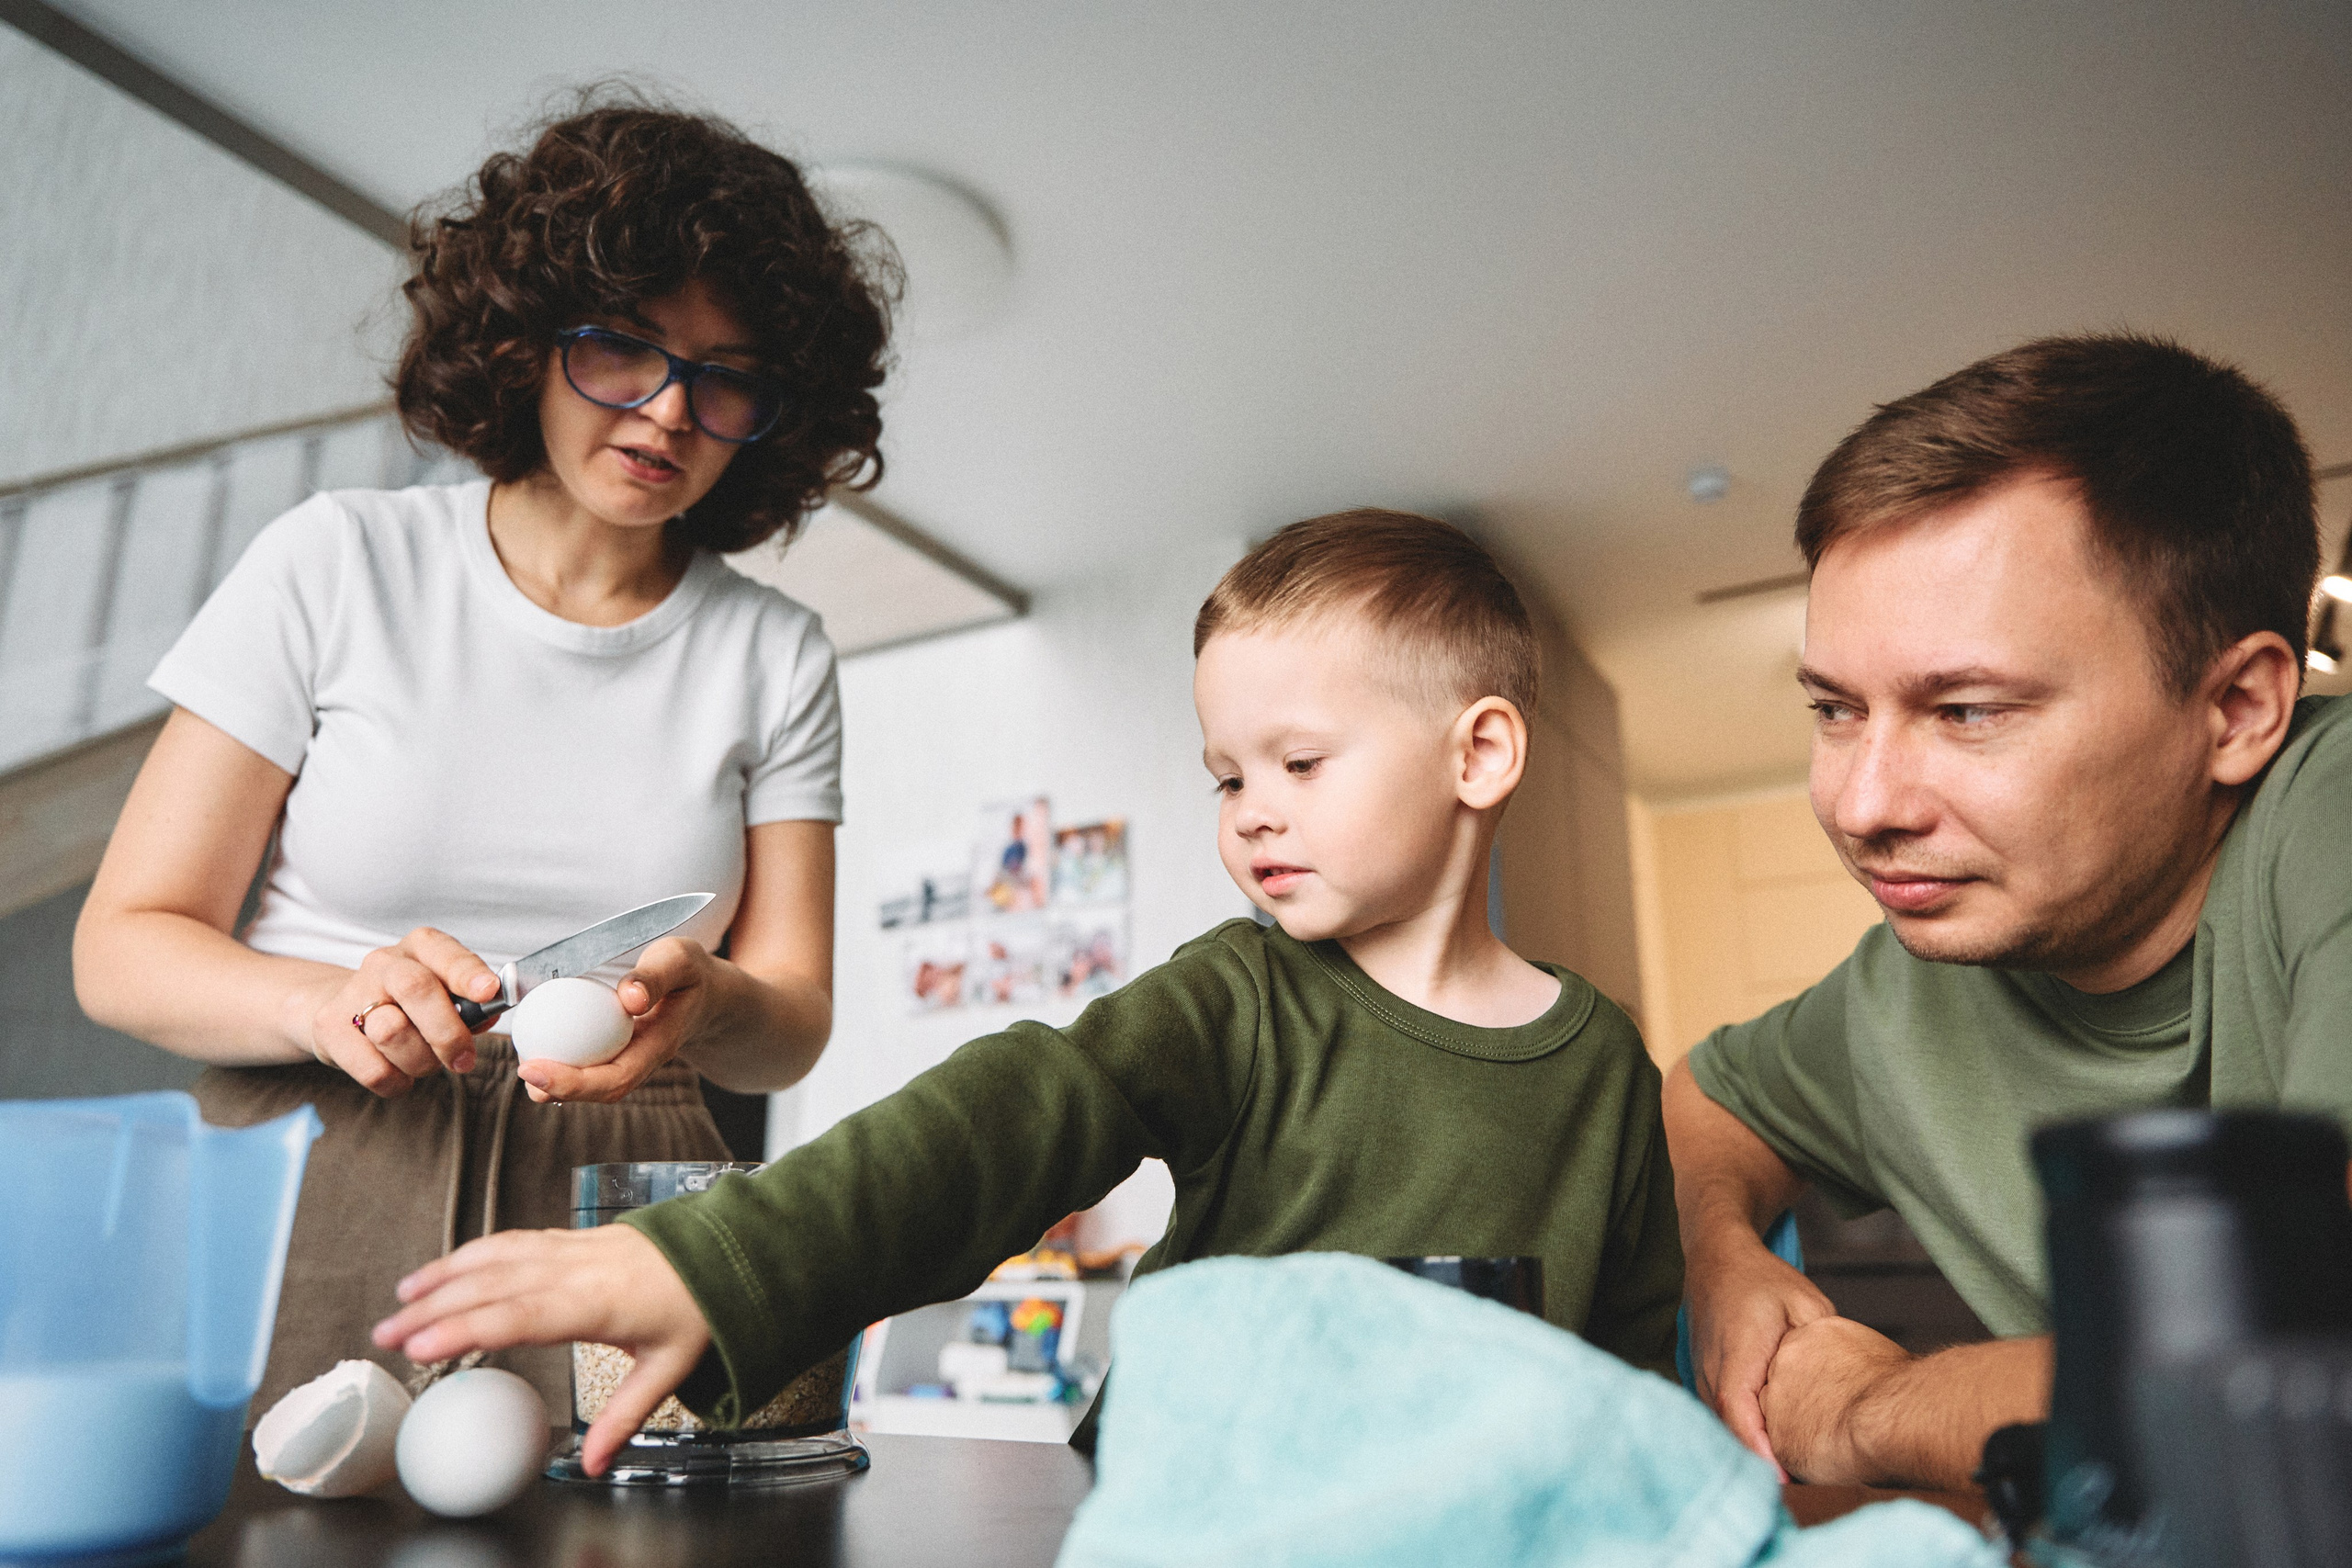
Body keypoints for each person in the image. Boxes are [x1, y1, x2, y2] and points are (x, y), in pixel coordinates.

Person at [374, 510, 1685, 1473]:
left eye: (1299, 760)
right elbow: (1011, 1116)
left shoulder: (1604, 1061)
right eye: (1229, 777)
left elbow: (1630, 1364)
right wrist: (719, 1265)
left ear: (1483, 752)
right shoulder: (1241, 996)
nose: (1255, 816)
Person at [73, 98, 893, 1414]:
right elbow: (122, 941)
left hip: (628, 1193)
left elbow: (791, 1020)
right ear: (523, 341)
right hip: (312, 1151)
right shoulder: (334, 561)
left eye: (726, 373)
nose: (669, 410)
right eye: (623, 347)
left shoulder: (774, 653)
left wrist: (709, 999)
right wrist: (319, 1002)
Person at [1663, 333, 2345, 1489]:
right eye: (1835, 709)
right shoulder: (1902, 986)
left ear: (2236, 709)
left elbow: (2297, 1376)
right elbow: (1706, 1102)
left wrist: (1867, 1410)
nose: (1860, 803)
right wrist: (1722, 1260)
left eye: (1968, 710)